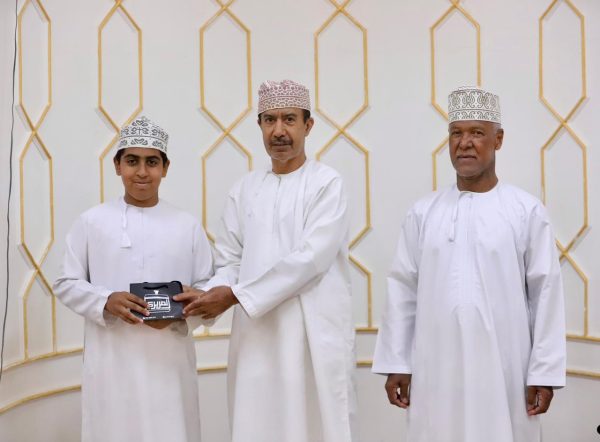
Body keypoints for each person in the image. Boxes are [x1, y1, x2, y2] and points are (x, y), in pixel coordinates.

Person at [372, 86, 566, 442]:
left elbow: (546, 291)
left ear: (498, 140)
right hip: (435, 367)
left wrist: (544, 372)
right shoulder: (423, 212)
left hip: (505, 368)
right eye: (456, 133)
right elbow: (402, 288)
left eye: (477, 133)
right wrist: (397, 362)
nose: (464, 143)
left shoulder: (526, 211)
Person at [176, 80, 358, 442]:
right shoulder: (244, 189)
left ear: (308, 126)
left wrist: (235, 296)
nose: (279, 131)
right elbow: (230, 261)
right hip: (256, 338)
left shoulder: (327, 184)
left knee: (314, 424)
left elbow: (311, 261)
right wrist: (205, 297)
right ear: (259, 126)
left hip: (312, 333)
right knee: (257, 422)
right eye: (269, 120)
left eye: (289, 119)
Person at [53, 116, 213, 442]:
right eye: (132, 161)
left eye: (152, 162)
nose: (141, 172)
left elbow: (207, 287)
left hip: (169, 362)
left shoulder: (187, 225)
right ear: (117, 165)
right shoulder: (91, 222)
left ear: (165, 168)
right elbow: (65, 282)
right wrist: (105, 300)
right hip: (112, 361)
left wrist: (183, 310)